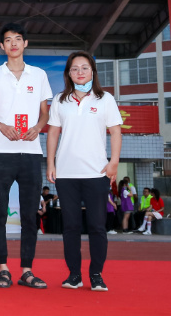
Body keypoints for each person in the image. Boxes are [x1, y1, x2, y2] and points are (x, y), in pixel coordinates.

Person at [0, 23, 52, 289]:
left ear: (25, 43)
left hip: (31, 155)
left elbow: (45, 112)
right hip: (0, 155)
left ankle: (27, 270)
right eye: (8, 40)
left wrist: (38, 128)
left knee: (29, 215)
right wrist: (1, 126)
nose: (13, 44)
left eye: (18, 39)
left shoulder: (39, 75)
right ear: (2, 46)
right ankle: (3, 269)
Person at [47, 51, 122, 292]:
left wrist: (114, 162)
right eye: (74, 68)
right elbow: (53, 133)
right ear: (68, 73)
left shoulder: (105, 99)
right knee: (70, 227)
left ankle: (96, 275)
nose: (80, 72)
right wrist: (51, 164)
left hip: (96, 173)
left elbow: (116, 131)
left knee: (97, 226)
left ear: (92, 71)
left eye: (84, 68)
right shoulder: (60, 100)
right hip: (66, 174)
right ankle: (74, 275)